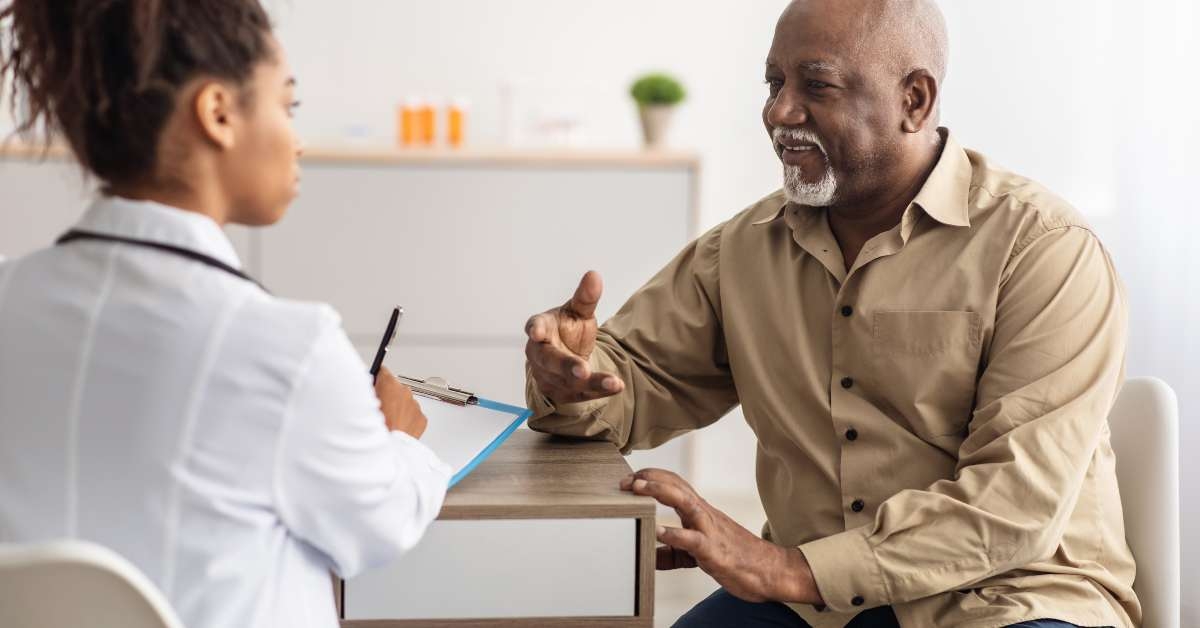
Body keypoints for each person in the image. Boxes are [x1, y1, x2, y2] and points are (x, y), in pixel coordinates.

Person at [523, 1, 1139, 627]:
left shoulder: (1043, 249)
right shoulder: (741, 249)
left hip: (1008, 598)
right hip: (813, 606)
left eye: (815, 85)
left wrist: (786, 569)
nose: (780, 112)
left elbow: (1014, 505)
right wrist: (572, 377)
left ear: (915, 101)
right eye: (774, 83)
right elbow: (634, 381)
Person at [0, 2, 450, 627]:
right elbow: (379, 527)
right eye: (287, 107)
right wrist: (402, 440)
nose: (297, 139)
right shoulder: (287, 348)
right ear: (217, 113)